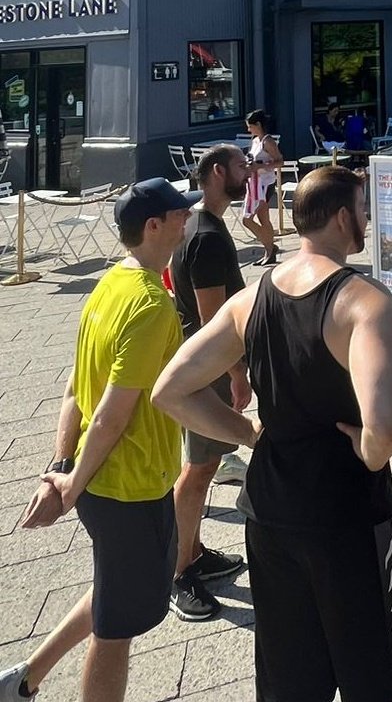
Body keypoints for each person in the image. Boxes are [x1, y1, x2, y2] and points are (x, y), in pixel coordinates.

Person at [152, 166, 392, 702]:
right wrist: (370, 452)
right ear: (345, 217)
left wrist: (248, 432)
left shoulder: (250, 299)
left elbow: (170, 389)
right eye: (363, 209)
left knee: (292, 680)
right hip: (349, 518)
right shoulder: (364, 303)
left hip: (270, 514)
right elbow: (388, 423)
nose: (367, 219)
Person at [0, 179, 199, 702]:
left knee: (115, 589)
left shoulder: (110, 283)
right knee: (117, 631)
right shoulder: (152, 304)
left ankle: (25, 677)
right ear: (153, 226)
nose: (187, 220)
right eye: (179, 214)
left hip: (100, 479)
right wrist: (68, 486)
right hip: (129, 484)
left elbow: (73, 386)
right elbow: (112, 412)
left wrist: (63, 466)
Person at [166, 145, 252, 622]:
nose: (248, 172)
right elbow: (212, 319)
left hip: (199, 368)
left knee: (204, 464)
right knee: (199, 470)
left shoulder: (198, 224)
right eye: (241, 166)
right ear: (218, 172)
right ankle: (179, 572)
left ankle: (194, 551)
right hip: (206, 372)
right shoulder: (207, 236)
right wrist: (236, 374)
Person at [242, 109, 284, 267]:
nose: (248, 129)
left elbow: (280, 161)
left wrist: (260, 165)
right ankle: (269, 246)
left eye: (250, 126)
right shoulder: (255, 141)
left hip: (265, 183)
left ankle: (269, 249)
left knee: (261, 218)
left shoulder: (268, 142)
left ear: (258, 124)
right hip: (253, 183)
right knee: (248, 219)